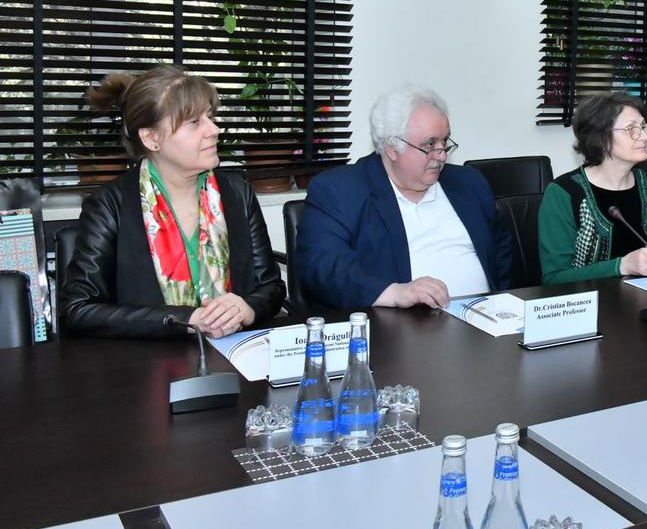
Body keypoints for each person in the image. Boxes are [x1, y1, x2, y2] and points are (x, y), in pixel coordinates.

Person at [61, 65, 285, 338]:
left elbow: (271, 287)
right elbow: (78, 310)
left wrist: (248, 308)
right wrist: (184, 319)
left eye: (210, 117)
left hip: (232, 352)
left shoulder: (237, 193)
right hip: (149, 359)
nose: (214, 129)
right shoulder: (110, 205)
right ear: (152, 138)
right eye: (194, 122)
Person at [297, 86, 510, 311]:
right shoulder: (340, 190)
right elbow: (323, 264)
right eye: (430, 144)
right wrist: (394, 293)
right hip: (398, 327)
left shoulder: (469, 183)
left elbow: (501, 251)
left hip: (483, 320)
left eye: (445, 141)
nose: (442, 154)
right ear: (392, 148)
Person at [539, 92, 647, 283]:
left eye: (644, 127)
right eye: (631, 129)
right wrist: (622, 266)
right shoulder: (564, 193)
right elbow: (554, 279)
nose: (644, 136)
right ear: (600, 138)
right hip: (590, 300)